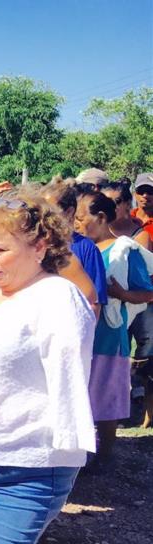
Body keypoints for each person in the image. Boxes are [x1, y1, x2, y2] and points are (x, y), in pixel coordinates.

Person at [0, 195, 96, 544]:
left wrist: (69, 447)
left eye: (0, 250)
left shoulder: (58, 297)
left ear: (40, 247)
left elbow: (71, 379)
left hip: (28, 466)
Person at [74, 191, 153, 469]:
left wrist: (120, 293)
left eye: (81, 218)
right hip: (82, 334)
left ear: (101, 218)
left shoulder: (122, 252)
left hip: (108, 335)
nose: (76, 224)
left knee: (105, 394)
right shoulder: (78, 249)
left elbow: (147, 293)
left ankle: (105, 455)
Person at [40, 182, 107, 316]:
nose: (43, 216)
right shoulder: (37, 243)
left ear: (70, 212)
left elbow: (95, 301)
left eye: (50, 211)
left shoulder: (86, 248)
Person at [130, 173, 153, 427]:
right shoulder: (127, 220)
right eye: (142, 191)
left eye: (151, 191)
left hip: (149, 298)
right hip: (124, 296)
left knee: (148, 351)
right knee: (122, 350)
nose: (146, 196)